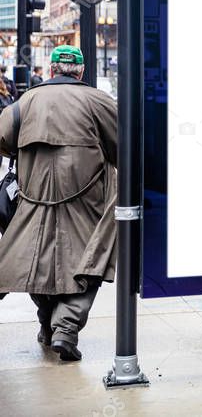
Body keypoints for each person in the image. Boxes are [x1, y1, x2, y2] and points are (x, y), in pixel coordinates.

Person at [0, 46, 117, 362]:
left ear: (52, 70)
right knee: (89, 263)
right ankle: (64, 329)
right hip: (85, 201)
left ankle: (48, 326)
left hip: (34, 199)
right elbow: (123, 145)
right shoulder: (97, 100)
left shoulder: (26, 101)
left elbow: (4, 140)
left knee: (34, 263)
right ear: (80, 72)